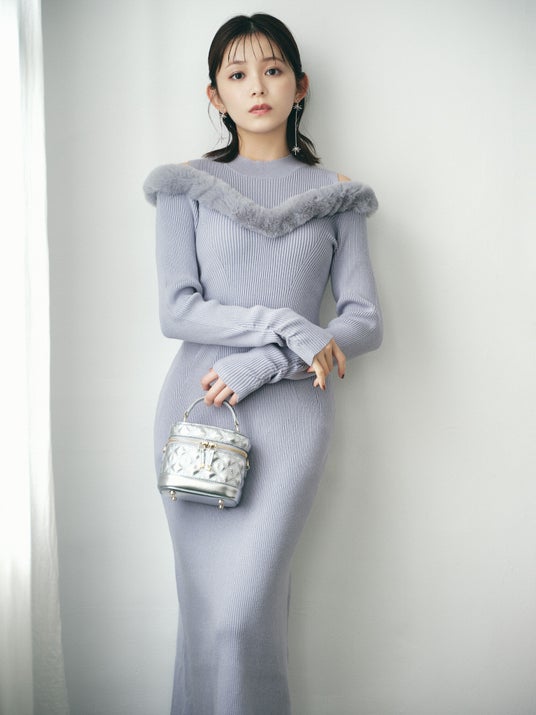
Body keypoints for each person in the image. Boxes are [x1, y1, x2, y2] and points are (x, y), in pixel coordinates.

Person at [143, 13, 382, 715]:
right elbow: (177, 311)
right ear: (214, 95)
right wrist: (283, 325)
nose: (257, 87)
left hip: (291, 417)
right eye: (238, 74)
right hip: (199, 411)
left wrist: (263, 364)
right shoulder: (186, 186)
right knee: (207, 615)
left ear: (299, 86)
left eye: (273, 70)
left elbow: (363, 322)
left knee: (243, 614)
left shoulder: (336, 194)